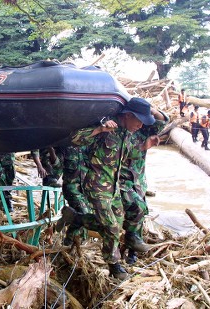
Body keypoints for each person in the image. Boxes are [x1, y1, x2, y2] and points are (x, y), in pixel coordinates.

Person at [57, 97, 158, 280]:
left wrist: (144, 146)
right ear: (128, 115)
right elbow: (75, 139)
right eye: (140, 121)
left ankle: (77, 218)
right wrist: (99, 129)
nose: (141, 126)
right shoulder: (107, 126)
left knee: (116, 225)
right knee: (111, 227)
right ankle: (114, 266)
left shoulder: (126, 133)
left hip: (114, 188)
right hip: (96, 185)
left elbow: (129, 154)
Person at [120, 108, 169, 264]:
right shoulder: (121, 131)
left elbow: (162, 121)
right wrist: (142, 147)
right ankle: (119, 249)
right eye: (138, 120)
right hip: (121, 181)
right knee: (134, 211)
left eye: (143, 121)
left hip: (138, 182)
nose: (140, 125)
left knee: (138, 218)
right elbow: (119, 152)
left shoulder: (143, 130)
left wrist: (150, 109)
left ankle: (131, 253)